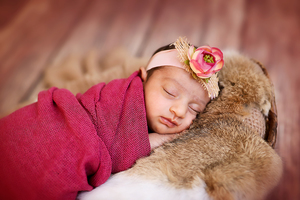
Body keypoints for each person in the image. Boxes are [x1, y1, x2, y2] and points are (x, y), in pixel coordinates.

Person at [0, 37, 224, 200]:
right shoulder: (117, 96)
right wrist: (152, 142)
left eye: (195, 109)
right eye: (170, 93)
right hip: (49, 124)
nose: (179, 110)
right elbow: (104, 132)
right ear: (143, 77)